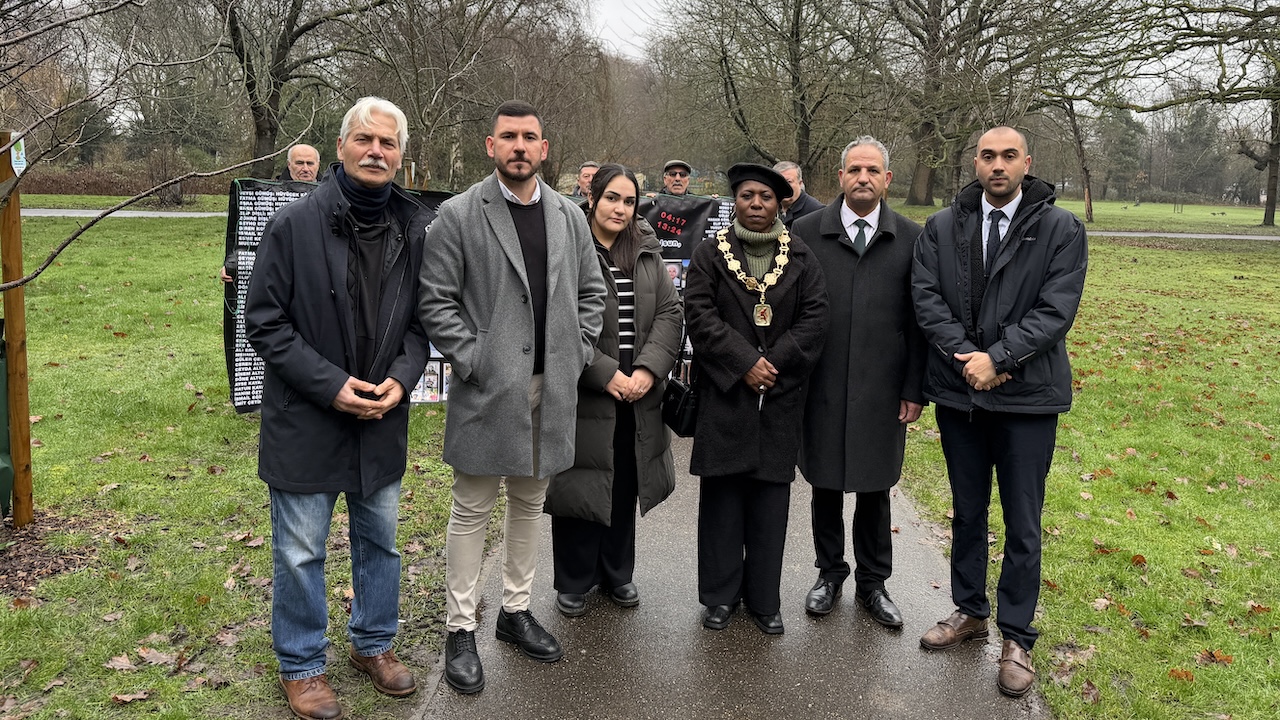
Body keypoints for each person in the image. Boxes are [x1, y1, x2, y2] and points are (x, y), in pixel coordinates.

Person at [244, 98, 429, 720]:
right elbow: (265, 323)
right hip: (308, 417)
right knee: (301, 550)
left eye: (389, 143)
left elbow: (420, 326)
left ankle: (373, 644)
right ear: (342, 145)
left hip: (382, 417)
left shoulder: (416, 228)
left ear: (402, 155)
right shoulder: (294, 225)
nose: (377, 151)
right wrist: (329, 385)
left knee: (381, 542)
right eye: (366, 139)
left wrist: (403, 380)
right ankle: (301, 664)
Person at [419, 100, 607, 695]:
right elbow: (436, 303)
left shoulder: (569, 217)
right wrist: (475, 361)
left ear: (544, 149)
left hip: (551, 390)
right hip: (487, 389)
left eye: (530, 137)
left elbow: (591, 292)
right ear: (490, 145)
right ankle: (459, 626)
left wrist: (574, 354)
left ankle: (515, 612)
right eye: (509, 137)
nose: (520, 146)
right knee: (472, 508)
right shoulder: (456, 216)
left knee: (530, 505)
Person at [912, 126, 1087, 698]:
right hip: (961, 395)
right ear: (975, 162)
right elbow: (926, 297)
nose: (998, 165)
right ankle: (969, 611)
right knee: (967, 510)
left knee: (1022, 522)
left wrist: (1001, 358)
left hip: (1027, 399)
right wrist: (969, 360)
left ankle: (1016, 635)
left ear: (1026, 163)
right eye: (988, 156)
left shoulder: (1060, 228)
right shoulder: (943, 225)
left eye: (1009, 156)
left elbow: (1056, 308)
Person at [684, 163, 828, 636]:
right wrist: (744, 362)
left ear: (781, 203)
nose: (757, 205)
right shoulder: (710, 254)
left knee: (770, 502)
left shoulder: (802, 258)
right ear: (735, 201)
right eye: (747, 196)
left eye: (766, 197)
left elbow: (814, 320)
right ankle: (721, 597)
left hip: (779, 398)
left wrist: (774, 365)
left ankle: (764, 599)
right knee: (723, 501)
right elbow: (700, 316)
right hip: (726, 397)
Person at [794, 137, 925, 630]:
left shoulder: (912, 238)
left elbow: (919, 322)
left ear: (887, 179)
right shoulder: (806, 232)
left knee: (875, 486)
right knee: (824, 483)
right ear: (841, 176)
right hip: (821, 382)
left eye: (873, 169)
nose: (863, 177)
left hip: (883, 386)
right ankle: (829, 573)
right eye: (854, 169)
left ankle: (874, 582)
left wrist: (914, 388)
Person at [544, 164, 683, 617]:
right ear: (592, 198)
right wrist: (604, 373)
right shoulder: (569, 246)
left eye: (628, 201)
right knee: (579, 482)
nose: (620, 208)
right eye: (612, 198)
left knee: (625, 481)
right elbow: (557, 322)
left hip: (638, 390)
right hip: (587, 388)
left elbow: (669, 312)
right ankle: (574, 578)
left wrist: (648, 370)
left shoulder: (645, 249)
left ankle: (617, 573)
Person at [221, 143, 322, 283]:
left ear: (318, 164)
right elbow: (248, 238)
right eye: (299, 163)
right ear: (289, 164)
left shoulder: (331, 194)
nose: (305, 168)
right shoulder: (268, 197)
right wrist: (233, 264)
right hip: (280, 272)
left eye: (310, 163)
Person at [773, 161, 824, 228]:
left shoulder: (818, 212)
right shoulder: (770, 208)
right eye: (779, 182)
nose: (783, 186)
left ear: (800, 183)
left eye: (789, 182)